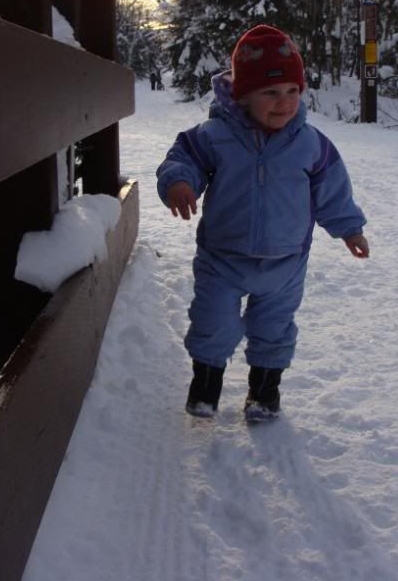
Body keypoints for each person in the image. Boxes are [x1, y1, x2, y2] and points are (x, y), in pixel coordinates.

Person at [156, 24, 369, 422]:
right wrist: (179, 183)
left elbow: (333, 191)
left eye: (292, 90)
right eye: (270, 92)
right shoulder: (215, 135)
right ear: (243, 96)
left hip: (286, 263)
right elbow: (183, 158)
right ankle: (205, 387)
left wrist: (350, 228)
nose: (284, 102)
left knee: (274, 328)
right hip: (222, 257)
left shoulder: (311, 143)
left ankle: (264, 393)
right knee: (212, 322)